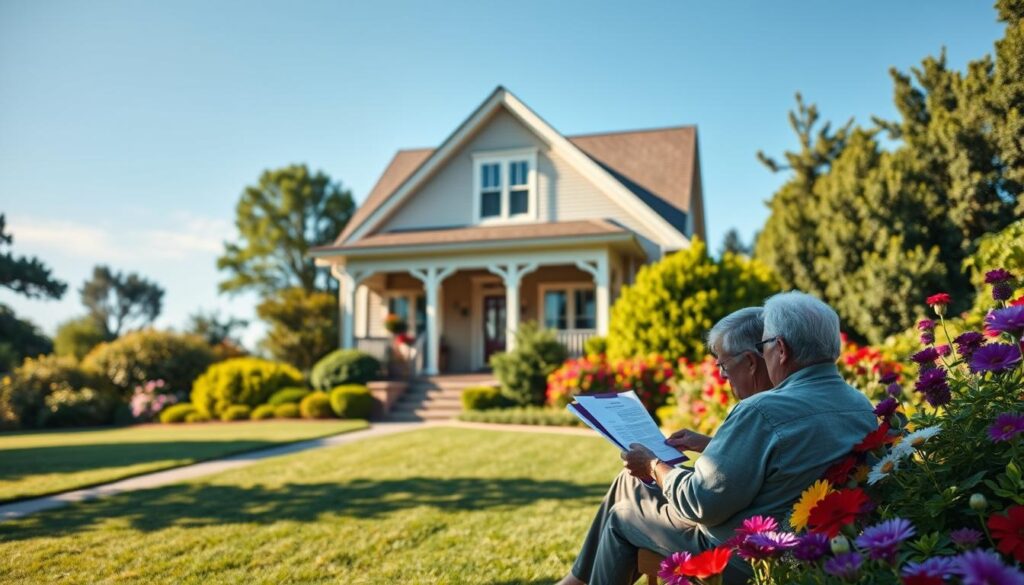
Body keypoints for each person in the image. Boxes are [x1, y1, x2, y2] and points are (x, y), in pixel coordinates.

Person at [560, 292, 877, 585]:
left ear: (780, 349)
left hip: (750, 558)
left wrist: (653, 464)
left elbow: (701, 504)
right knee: (630, 485)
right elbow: (786, 463)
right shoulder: (860, 405)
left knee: (623, 516)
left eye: (765, 345)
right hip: (814, 550)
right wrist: (708, 446)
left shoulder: (762, 410)